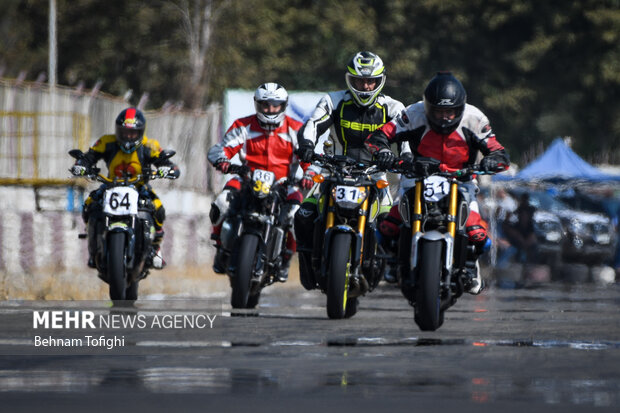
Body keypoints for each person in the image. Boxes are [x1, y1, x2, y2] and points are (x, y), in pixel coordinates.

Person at [365, 71, 510, 294]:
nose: (444, 117)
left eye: (450, 112)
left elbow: (497, 150)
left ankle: (470, 265)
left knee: (480, 236)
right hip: (416, 179)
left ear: (460, 108)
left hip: (461, 182)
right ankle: (392, 261)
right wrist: (384, 151)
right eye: (439, 111)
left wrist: (494, 160)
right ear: (427, 106)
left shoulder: (475, 118)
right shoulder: (412, 114)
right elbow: (379, 137)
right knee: (386, 227)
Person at [294, 51, 410, 285]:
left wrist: (405, 157)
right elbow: (312, 124)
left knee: (392, 221)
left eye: (370, 81)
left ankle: (395, 270)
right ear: (350, 79)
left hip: (376, 174)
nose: (365, 86)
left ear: (380, 81)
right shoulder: (333, 100)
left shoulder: (394, 107)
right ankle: (308, 268)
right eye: (359, 81)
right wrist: (306, 145)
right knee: (303, 215)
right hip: (332, 170)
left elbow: (407, 139)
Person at [207, 82, 311, 282]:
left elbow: (309, 158)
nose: (270, 109)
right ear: (257, 105)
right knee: (221, 203)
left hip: (284, 184)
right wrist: (222, 160)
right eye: (265, 105)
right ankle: (220, 248)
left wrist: (309, 174)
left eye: (275, 105)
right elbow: (222, 148)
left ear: (283, 105)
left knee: (298, 216)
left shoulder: (296, 129)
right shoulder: (242, 125)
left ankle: (287, 258)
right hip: (246, 179)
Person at [71, 107, 180, 270]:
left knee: (157, 208)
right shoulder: (107, 142)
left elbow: (167, 162)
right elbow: (89, 156)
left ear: (141, 132)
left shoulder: (150, 145)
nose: (128, 137)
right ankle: (94, 243)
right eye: (125, 132)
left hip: (140, 187)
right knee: (89, 204)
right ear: (117, 131)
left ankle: (155, 248)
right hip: (110, 185)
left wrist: (168, 169)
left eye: (133, 133)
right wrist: (81, 165)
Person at [498, 193, 538, 268]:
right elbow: (514, 234)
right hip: (517, 245)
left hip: (525, 246)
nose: (522, 217)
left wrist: (525, 243)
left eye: (525, 215)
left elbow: (531, 238)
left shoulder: (530, 226)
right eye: (521, 215)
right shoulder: (517, 225)